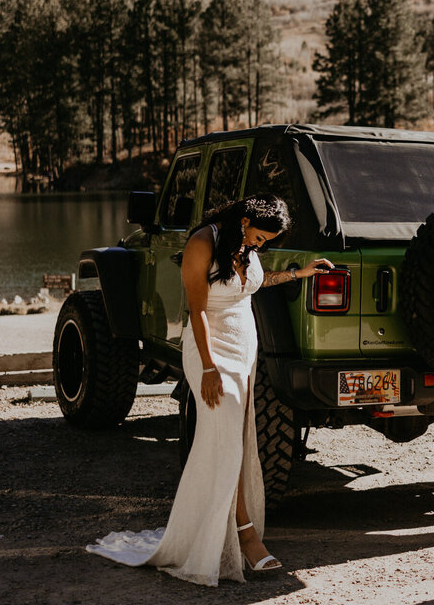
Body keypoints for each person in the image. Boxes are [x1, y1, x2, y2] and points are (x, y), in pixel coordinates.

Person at [87, 194, 333, 586]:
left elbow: (251, 284)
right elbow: (198, 309)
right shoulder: (203, 241)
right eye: (259, 237)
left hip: (244, 344)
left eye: (266, 242)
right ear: (245, 220)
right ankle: (245, 535)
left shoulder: (245, 245)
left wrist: (297, 274)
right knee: (225, 440)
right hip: (211, 348)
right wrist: (207, 367)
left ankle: (230, 530)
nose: (261, 245)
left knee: (237, 436)